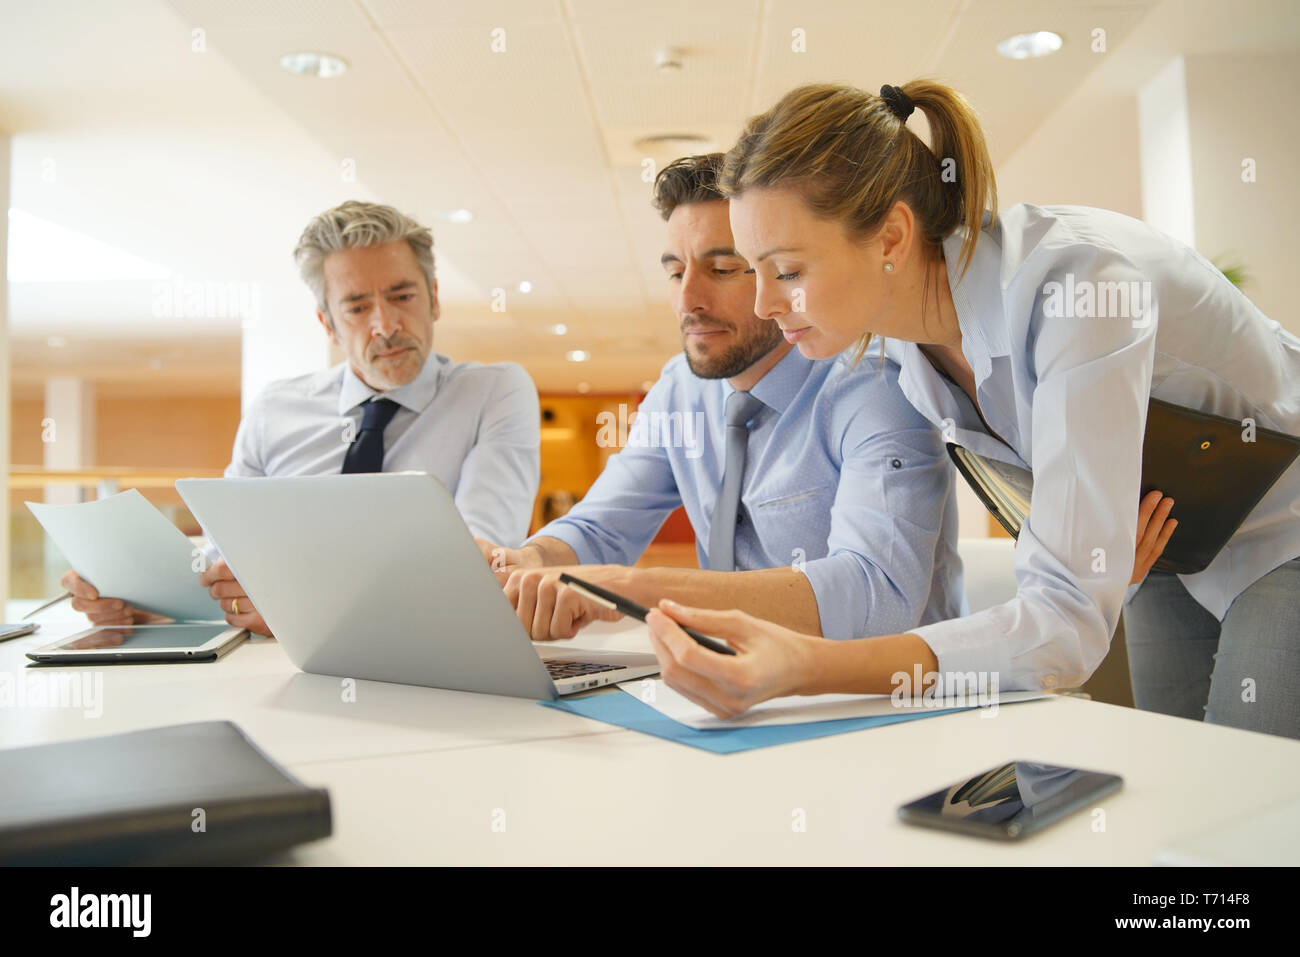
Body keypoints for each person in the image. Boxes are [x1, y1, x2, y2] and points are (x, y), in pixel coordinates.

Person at [643, 81, 1297, 739]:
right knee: (1182, 771)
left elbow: (1064, 618)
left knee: (1252, 783)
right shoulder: (905, 359)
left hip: (1283, 522)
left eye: (785, 269)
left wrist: (809, 666)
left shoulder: (1078, 288)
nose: (762, 305)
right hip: (1169, 537)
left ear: (891, 236)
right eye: (753, 270)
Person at [479, 153, 968, 643]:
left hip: (887, 702)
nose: (688, 299)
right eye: (675, 273)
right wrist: (530, 561)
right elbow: (602, 527)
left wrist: (641, 588)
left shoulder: (875, 384)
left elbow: (876, 595)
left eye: (723, 268)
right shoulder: (679, 391)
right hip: (731, 682)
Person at [62, 200, 541, 637]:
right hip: (274, 679)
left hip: (439, 663)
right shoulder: (275, 410)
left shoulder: (494, 393)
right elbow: (222, 561)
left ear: (434, 297)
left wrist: (298, 608)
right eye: (356, 307)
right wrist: (139, 599)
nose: (386, 325)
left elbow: (481, 566)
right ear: (327, 322)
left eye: (403, 296)